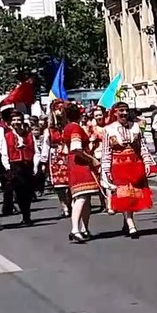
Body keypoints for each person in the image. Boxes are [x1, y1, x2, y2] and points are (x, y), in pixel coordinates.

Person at [103, 101, 153, 237]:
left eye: (126, 110)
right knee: (124, 195)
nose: (124, 113)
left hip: (134, 164)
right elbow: (106, 151)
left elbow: (143, 146)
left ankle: (127, 222)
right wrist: (106, 170)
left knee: (133, 196)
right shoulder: (108, 129)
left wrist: (147, 162)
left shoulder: (135, 127)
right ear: (115, 113)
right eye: (121, 111)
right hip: (118, 166)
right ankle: (131, 225)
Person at [63, 104, 101, 243]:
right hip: (80, 164)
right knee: (81, 197)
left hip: (76, 163)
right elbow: (76, 148)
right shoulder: (75, 128)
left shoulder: (68, 127)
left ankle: (84, 228)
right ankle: (75, 229)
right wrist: (92, 159)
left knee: (86, 198)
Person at [0, 110, 37, 226]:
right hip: (15, 166)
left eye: (18, 120)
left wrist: (36, 165)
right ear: (11, 122)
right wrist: (7, 167)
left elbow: (36, 151)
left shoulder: (29, 135)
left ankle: (27, 212)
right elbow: (4, 153)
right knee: (20, 192)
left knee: (29, 191)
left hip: (28, 165)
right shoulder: (7, 136)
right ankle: (26, 215)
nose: (16, 122)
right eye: (14, 120)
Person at [46, 103, 71, 218]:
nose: (60, 112)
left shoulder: (69, 126)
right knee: (59, 185)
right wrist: (43, 161)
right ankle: (64, 206)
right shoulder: (49, 130)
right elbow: (47, 145)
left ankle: (70, 203)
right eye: (57, 109)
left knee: (70, 183)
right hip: (56, 157)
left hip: (68, 155)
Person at [87, 106, 113, 215]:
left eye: (100, 115)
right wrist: (92, 140)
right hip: (97, 155)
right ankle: (103, 202)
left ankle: (109, 204)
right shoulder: (92, 128)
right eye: (96, 115)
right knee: (100, 182)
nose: (98, 117)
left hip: (108, 155)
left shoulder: (109, 127)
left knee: (108, 180)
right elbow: (89, 143)